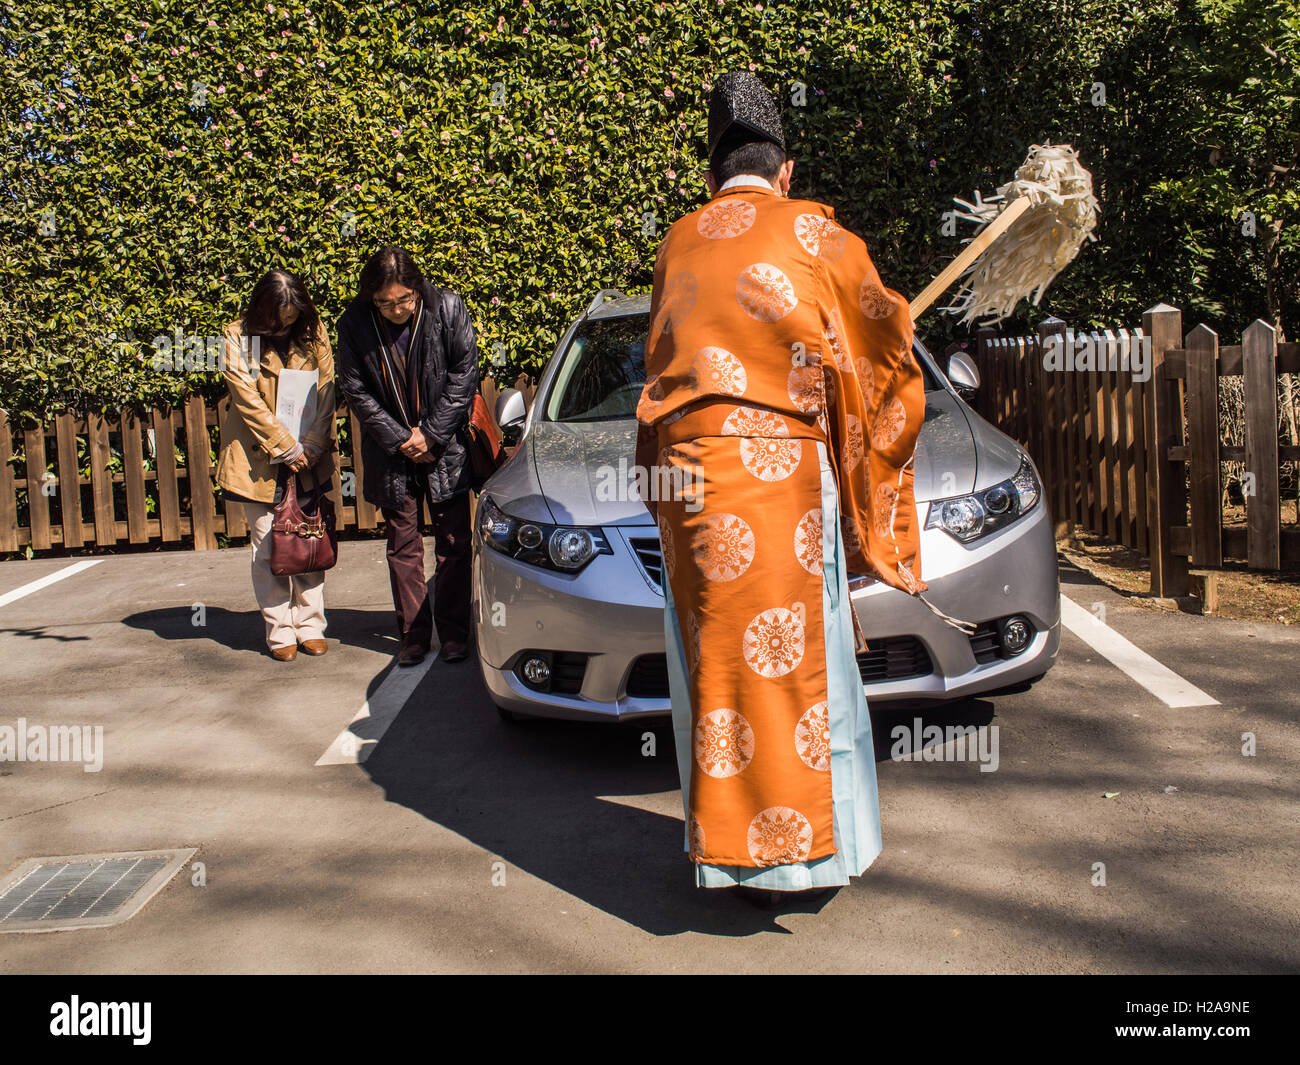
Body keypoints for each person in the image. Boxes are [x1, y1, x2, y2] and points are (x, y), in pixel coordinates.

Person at [635, 72, 937, 898]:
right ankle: (814, 857)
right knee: (810, 662)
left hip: (693, 479)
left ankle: (723, 856)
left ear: (710, 181)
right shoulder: (815, 231)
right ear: (787, 173)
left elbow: (660, 366)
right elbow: (880, 348)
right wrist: (895, 331)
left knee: (715, 671)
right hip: (781, 479)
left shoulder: (678, 240)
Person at [335, 246, 480, 667]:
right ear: (371, 298)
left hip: (445, 446)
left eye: (404, 299)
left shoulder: (448, 308)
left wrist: (431, 434)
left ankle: (455, 634)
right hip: (390, 453)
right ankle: (413, 636)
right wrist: (401, 438)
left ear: (417, 289)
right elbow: (355, 389)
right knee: (402, 545)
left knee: (454, 543)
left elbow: (464, 374)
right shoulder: (354, 323)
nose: (397, 309)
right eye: (386, 302)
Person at [216, 269, 336, 662]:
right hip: (260, 457)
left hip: (310, 452)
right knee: (267, 543)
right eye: (277, 314)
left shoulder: (314, 329)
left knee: (308, 537)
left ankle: (311, 625)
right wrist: (285, 446)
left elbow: (327, 387)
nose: (284, 321)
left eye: (291, 313)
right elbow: (245, 397)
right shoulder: (235, 336)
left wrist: (315, 442)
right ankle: (279, 629)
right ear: (261, 308)